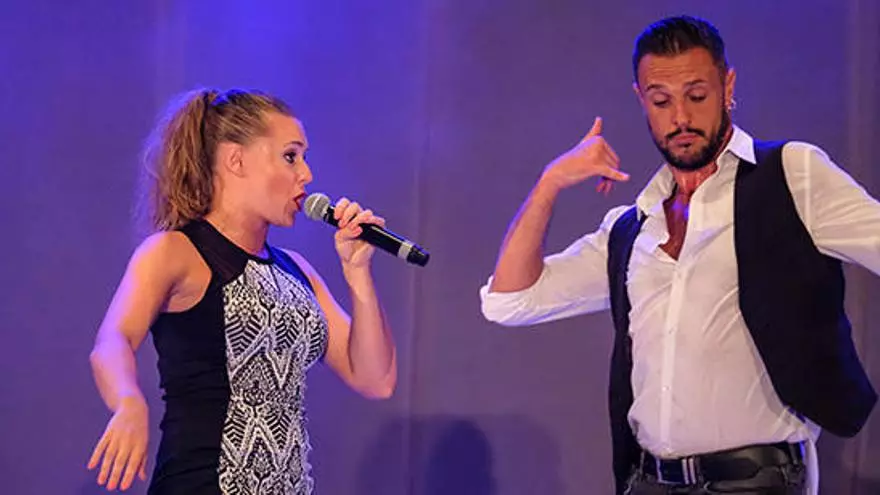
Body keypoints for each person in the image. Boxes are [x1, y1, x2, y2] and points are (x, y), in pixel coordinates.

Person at [480, 15, 877, 495]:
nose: (681, 118)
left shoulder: (790, 174)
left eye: (697, 95)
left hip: (756, 480)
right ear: (641, 101)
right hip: (649, 479)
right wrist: (551, 182)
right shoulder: (632, 228)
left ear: (727, 86)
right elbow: (510, 301)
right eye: (662, 101)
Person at [86, 88, 398, 494]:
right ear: (236, 160)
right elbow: (113, 341)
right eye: (291, 156)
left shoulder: (295, 270)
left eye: (304, 157)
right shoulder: (175, 251)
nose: (306, 174)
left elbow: (375, 379)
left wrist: (358, 274)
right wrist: (129, 402)